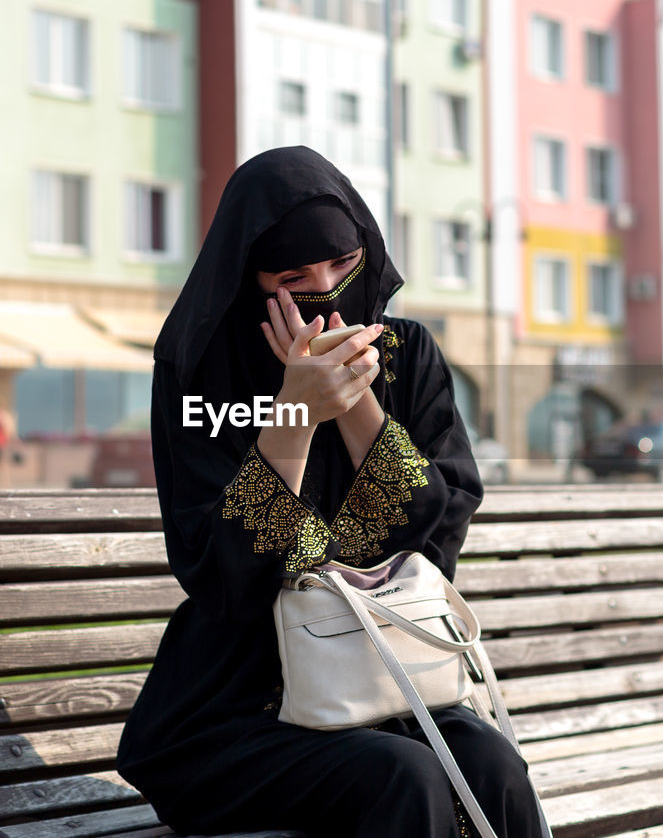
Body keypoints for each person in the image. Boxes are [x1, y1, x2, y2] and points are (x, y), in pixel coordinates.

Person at [115, 146, 546, 838]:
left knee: (493, 766)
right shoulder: (202, 371)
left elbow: (431, 543)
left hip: (388, 685)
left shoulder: (408, 356)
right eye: (293, 278)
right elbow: (223, 575)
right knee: (403, 778)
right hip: (238, 709)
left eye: (343, 266)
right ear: (249, 279)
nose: (326, 291)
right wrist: (294, 411)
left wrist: (355, 402)